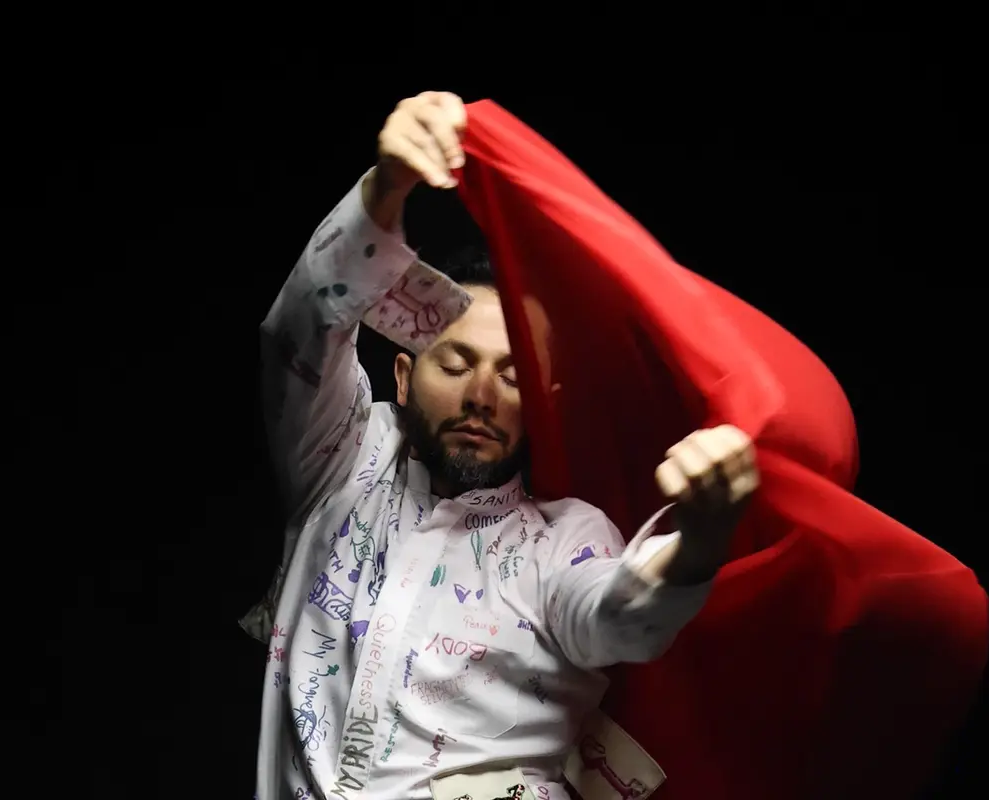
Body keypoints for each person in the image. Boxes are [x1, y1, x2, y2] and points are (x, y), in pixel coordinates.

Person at [245, 91, 761, 800]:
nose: (482, 395)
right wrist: (386, 187)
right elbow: (298, 337)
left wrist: (700, 538)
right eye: (454, 364)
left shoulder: (563, 540)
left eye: (513, 377)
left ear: (544, 405)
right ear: (403, 371)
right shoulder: (340, 464)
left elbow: (620, 614)